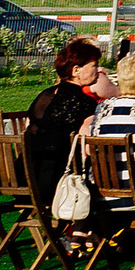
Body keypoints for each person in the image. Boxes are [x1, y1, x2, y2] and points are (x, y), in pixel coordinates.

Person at [24, 39, 107, 207]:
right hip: (59, 182)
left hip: (26, 176)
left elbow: (28, 128)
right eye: (94, 65)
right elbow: (89, 146)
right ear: (76, 70)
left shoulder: (45, 95)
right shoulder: (84, 102)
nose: (99, 70)